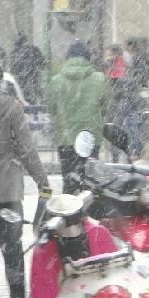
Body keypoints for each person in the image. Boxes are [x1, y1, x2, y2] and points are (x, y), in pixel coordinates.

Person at [0, 60, 49, 298]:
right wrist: (42, 181)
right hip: (6, 193)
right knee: (12, 250)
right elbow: (27, 150)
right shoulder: (11, 108)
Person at [48, 41, 109, 194]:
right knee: (89, 183)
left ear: (68, 58)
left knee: (69, 182)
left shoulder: (56, 81)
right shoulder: (99, 79)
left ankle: (69, 214)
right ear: (87, 57)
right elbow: (105, 107)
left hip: (65, 138)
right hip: (89, 139)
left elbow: (51, 108)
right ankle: (88, 214)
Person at [124, 38, 149, 159]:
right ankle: (138, 149)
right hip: (139, 97)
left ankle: (136, 150)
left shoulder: (134, 62)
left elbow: (135, 80)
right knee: (139, 123)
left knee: (134, 124)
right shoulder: (143, 61)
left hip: (134, 97)